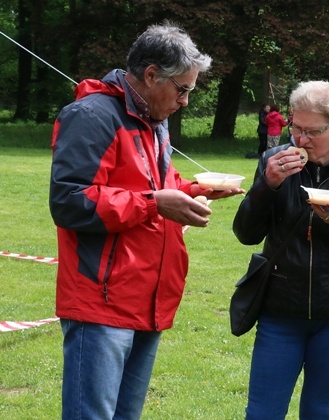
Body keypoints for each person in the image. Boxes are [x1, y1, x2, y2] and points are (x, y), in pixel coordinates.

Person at [49, 21, 244, 419]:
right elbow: (70, 202)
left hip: (147, 298)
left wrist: (195, 190)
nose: (186, 101)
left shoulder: (154, 121)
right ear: (152, 75)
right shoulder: (91, 116)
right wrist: (155, 203)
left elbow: (154, 184)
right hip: (101, 301)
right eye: (183, 89)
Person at [233, 80, 329, 419]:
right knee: (262, 412)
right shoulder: (274, 162)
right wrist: (266, 185)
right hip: (280, 310)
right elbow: (246, 233)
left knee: (320, 411)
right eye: (296, 128)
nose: (300, 140)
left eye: (312, 132)